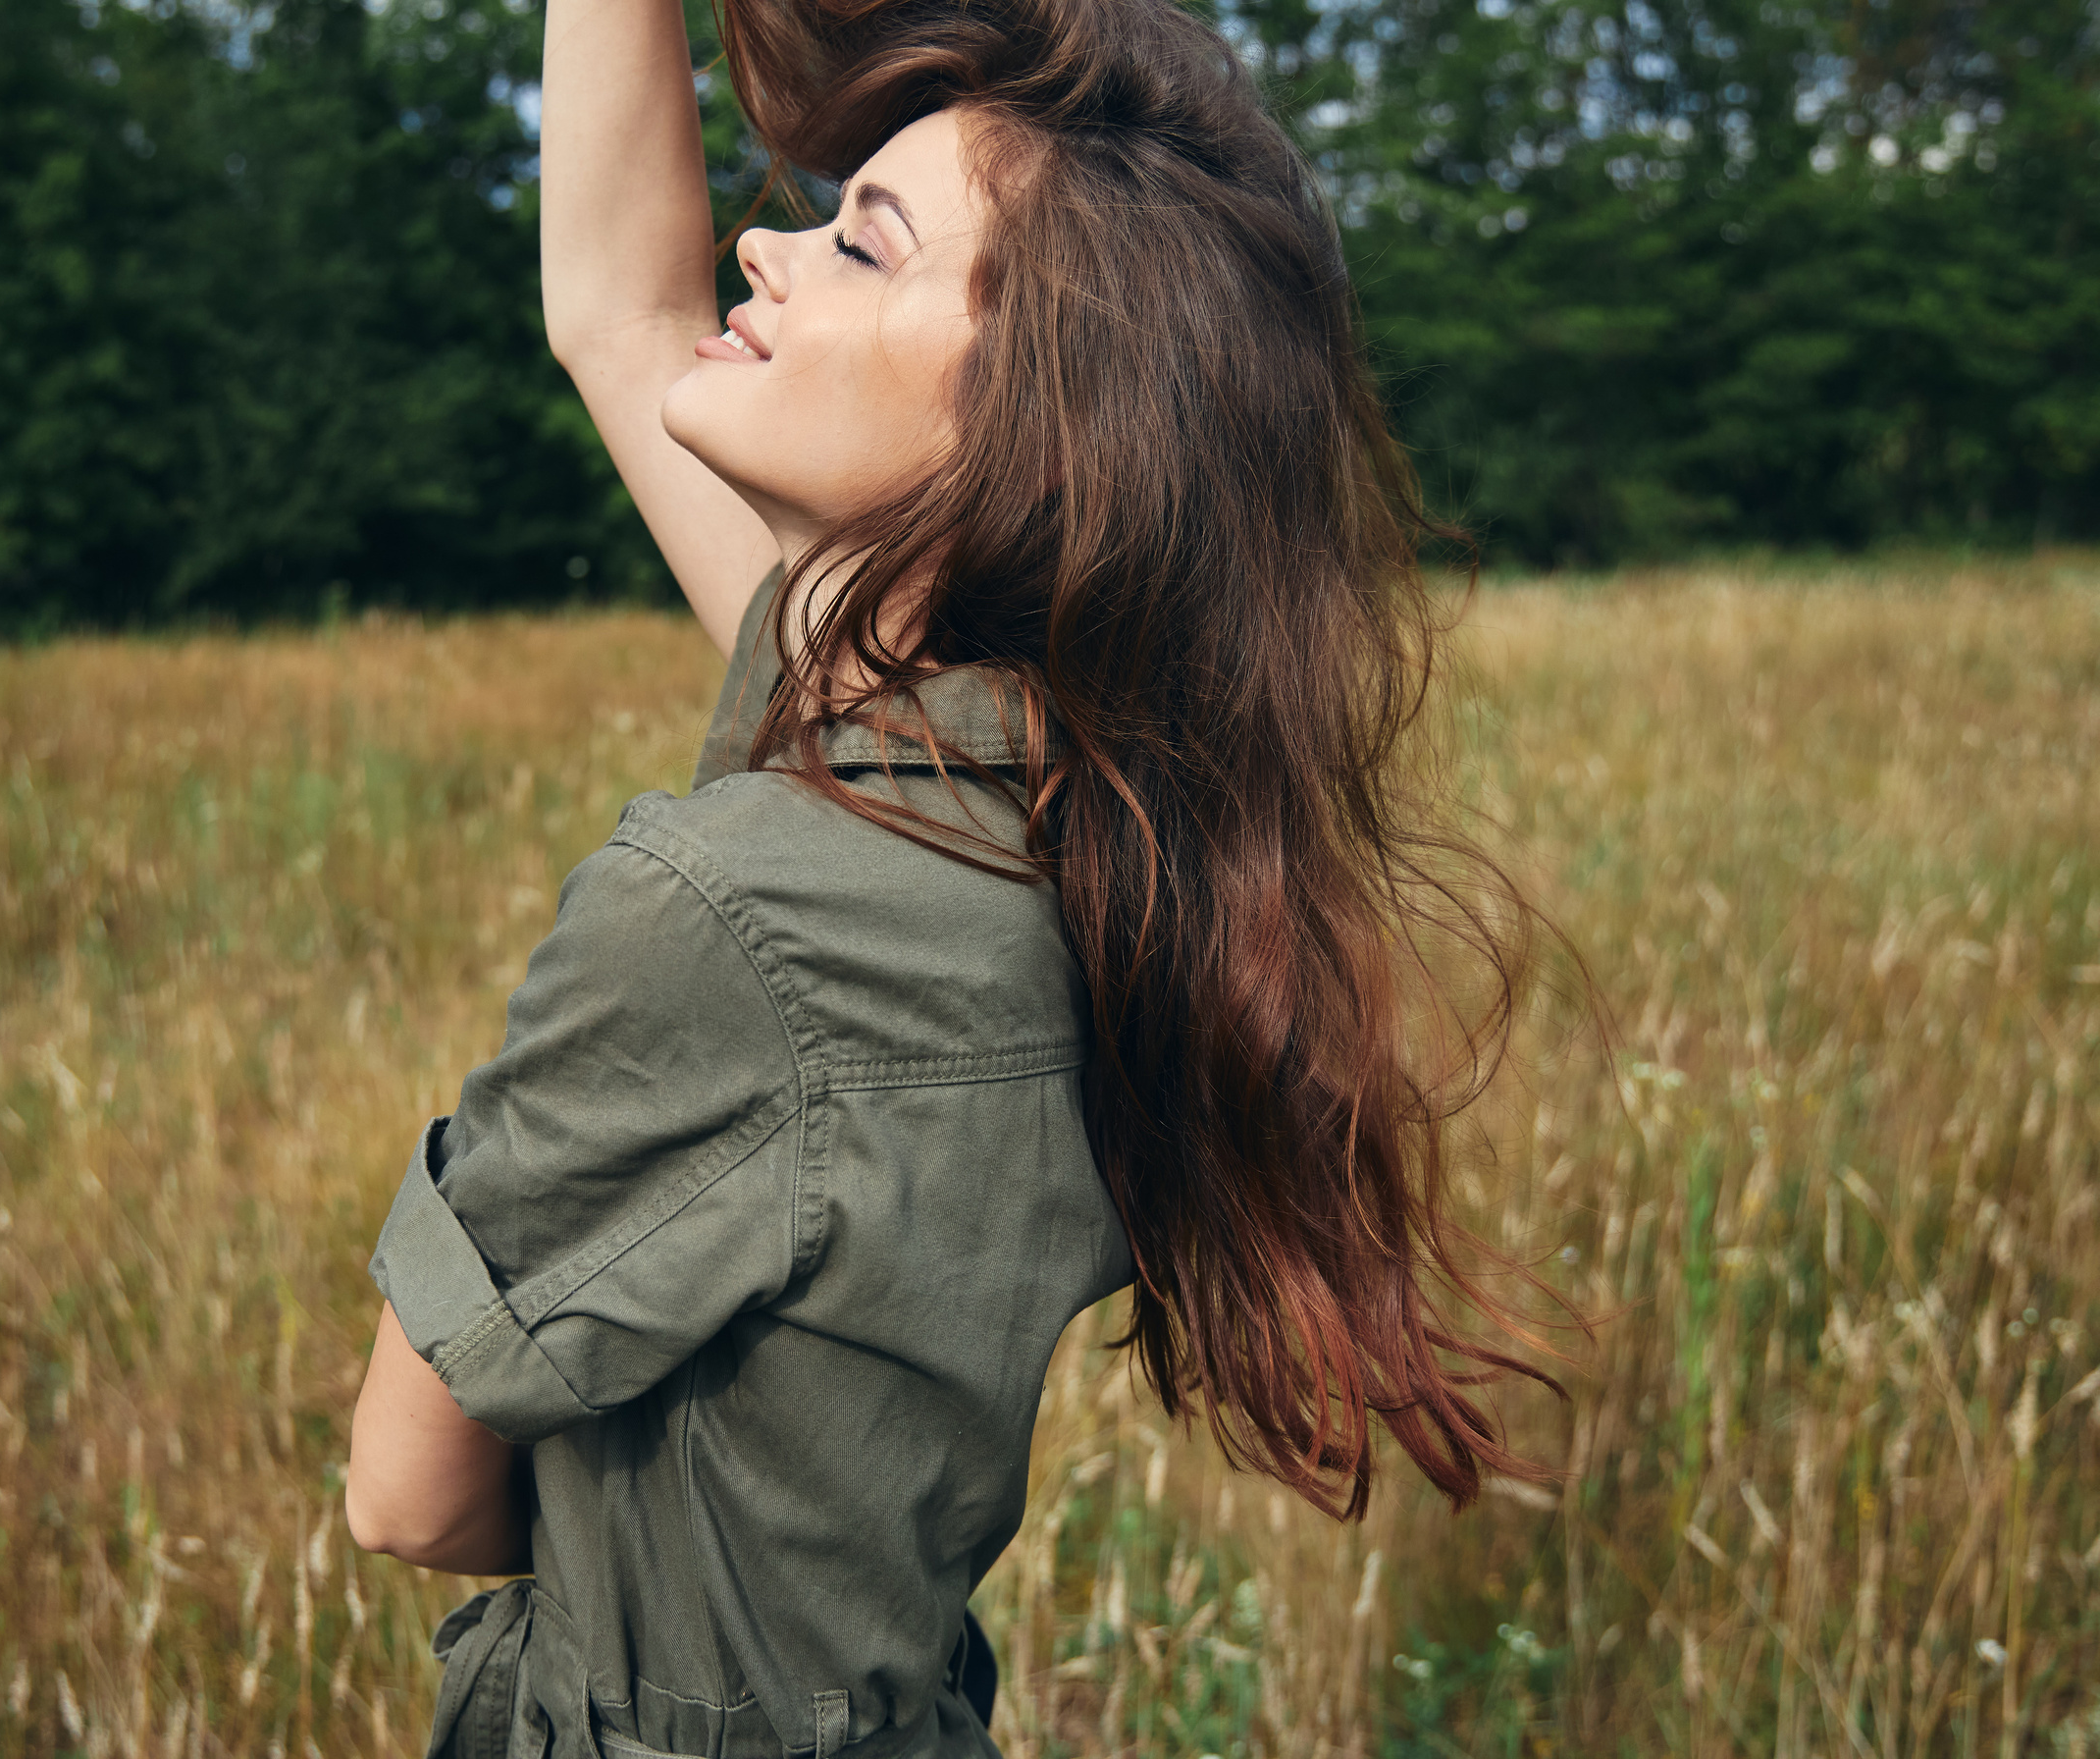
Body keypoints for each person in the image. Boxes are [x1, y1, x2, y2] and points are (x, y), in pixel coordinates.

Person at [344, 0, 1562, 1752]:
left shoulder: (741, 906)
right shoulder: (1065, 826)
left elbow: (408, 1495)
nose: (766, 247)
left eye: (863, 242)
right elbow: (620, 314)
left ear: (1032, 435)